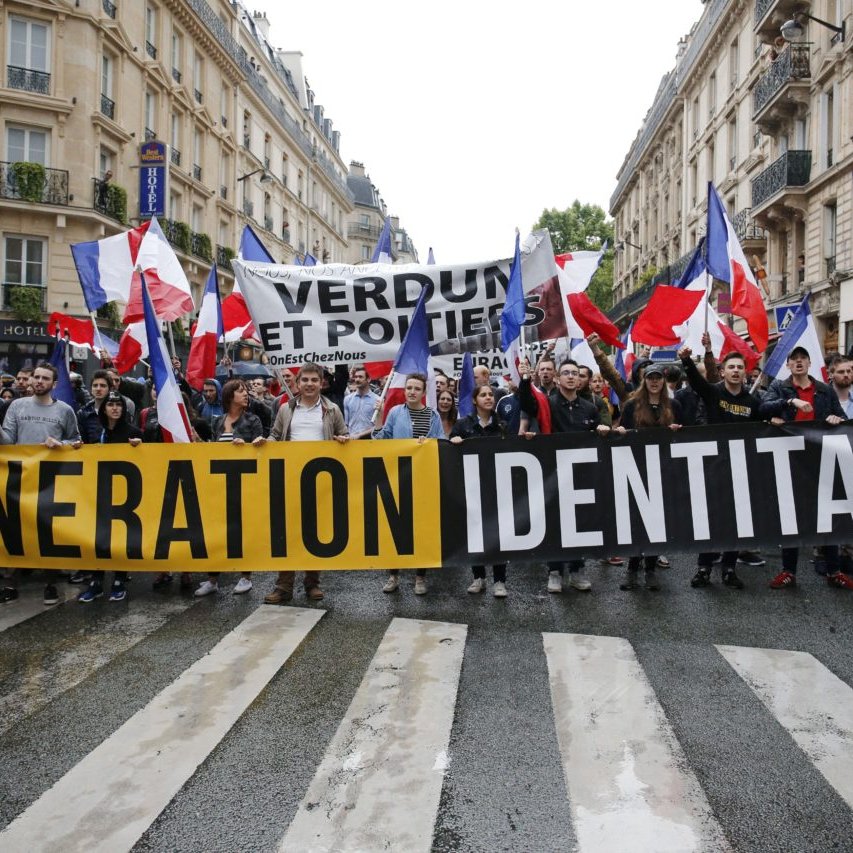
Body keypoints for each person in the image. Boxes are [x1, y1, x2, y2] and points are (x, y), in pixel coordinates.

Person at [758, 345, 851, 590]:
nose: (799, 362)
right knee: (792, 516)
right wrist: (788, 403)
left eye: (803, 359)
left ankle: (834, 570)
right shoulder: (780, 387)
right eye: (794, 359)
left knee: (827, 514)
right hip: (790, 459)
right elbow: (763, 409)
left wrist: (835, 419)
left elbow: (840, 416)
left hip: (820, 459)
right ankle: (789, 571)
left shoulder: (823, 390)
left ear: (810, 364)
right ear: (788, 365)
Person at [518, 358, 610, 593]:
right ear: (558, 379)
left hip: (581, 476)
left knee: (579, 523)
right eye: (566, 373)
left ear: (580, 380)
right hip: (554, 474)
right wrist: (526, 379)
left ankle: (577, 570)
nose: (571, 376)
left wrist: (602, 430)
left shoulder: (590, 407)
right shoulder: (547, 404)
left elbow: (600, 436)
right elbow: (527, 403)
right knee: (556, 523)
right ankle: (555, 571)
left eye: (575, 373)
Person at [678, 343, 765, 589]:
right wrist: (686, 361)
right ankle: (704, 568)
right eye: (731, 367)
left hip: (740, 470)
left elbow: (763, 423)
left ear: (745, 373)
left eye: (740, 367)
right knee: (711, 520)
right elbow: (697, 383)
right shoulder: (714, 393)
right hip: (714, 469)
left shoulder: (753, 401)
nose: (736, 371)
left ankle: (729, 568)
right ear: (723, 371)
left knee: (737, 522)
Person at [262, 363, 349, 604]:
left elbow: (345, 436)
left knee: (314, 533)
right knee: (287, 532)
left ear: (321, 383)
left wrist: (343, 440)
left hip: (319, 481)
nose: (309, 384)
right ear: (297, 383)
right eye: (305, 380)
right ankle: (284, 585)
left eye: (314, 380)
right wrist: (263, 441)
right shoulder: (285, 409)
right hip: (289, 479)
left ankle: (312, 583)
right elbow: (275, 435)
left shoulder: (332, 410)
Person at [0, 362, 82, 605]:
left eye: (45, 379)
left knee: (47, 534)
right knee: (14, 531)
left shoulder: (65, 410)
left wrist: (61, 444)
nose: (38, 381)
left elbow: (77, 441)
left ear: (54, 384)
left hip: (51, 481)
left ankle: (50, 584)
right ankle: (9, 583)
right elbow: (8, 441)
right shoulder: (16, 405)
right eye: (36, 377)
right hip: (19, 479)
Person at [613, 364, 682, 591]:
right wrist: (621, 432)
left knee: (656, 522)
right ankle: (633, 568)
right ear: (645, 380)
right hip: (637, 469)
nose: (654, 382)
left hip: (662, 470)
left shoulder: (673, 405)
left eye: (658, 378)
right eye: (650, 378)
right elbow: (622, 433)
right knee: (637, 521)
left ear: (663, 381)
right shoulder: (633, 405)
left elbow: (685, 435)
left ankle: (650, 568)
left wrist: (676, 430)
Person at [373, 373, 443, 595]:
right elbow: (380, 440)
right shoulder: (395, 413)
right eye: (409, 387)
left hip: (423, 479)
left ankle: (420, 577)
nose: (411, 391)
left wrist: (429, 444)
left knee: (421, 529)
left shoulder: (433, 416)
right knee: (395, 529)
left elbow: (441, 442)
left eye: (416, 388)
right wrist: (379, 416)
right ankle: (393, 575)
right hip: (397, 478)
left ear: (423, 392)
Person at [194, 380, 263, 598]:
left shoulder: (253, 420)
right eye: (241, 391)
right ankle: (212, 579)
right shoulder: (218, 421)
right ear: (229, 396)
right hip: (219, 485)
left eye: (246, 391)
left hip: (245, 484)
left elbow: (261, 449)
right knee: (216, 532)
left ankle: (246, 576)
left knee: (242, 531)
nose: (246, 394)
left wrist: (249, 446)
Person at [77, 392, 142, 603]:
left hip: (125, 494)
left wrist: (140, 447)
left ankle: (119, 580)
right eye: (110, 404)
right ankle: (96, 581)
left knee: (121, 537)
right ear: (104, 408)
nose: (114, 408)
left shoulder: (132, 432)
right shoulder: (98, 431)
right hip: (100, 491)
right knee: (99, 537)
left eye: (118, 404)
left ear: (123, 409)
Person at [450, 385, 511, 597]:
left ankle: (500, 580)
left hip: (496, 487)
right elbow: (449, 453)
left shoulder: (502, 425)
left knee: (497, 533)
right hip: (472, 487)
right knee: (474, 532)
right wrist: (454, 442)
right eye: (483, 395)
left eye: (490, 395)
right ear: (475, 400)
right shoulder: (462, 425)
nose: (488, 398)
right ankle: (478, 577)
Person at [344, 366, 380, 439]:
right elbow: (346, 424)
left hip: (370, 441)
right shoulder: (347, 399)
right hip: (352, 441)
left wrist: (360, 435)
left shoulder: (377, 400)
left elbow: (378, 425)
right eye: (356, 377)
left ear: (368, 379)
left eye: (360, 377)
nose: (357, 379)